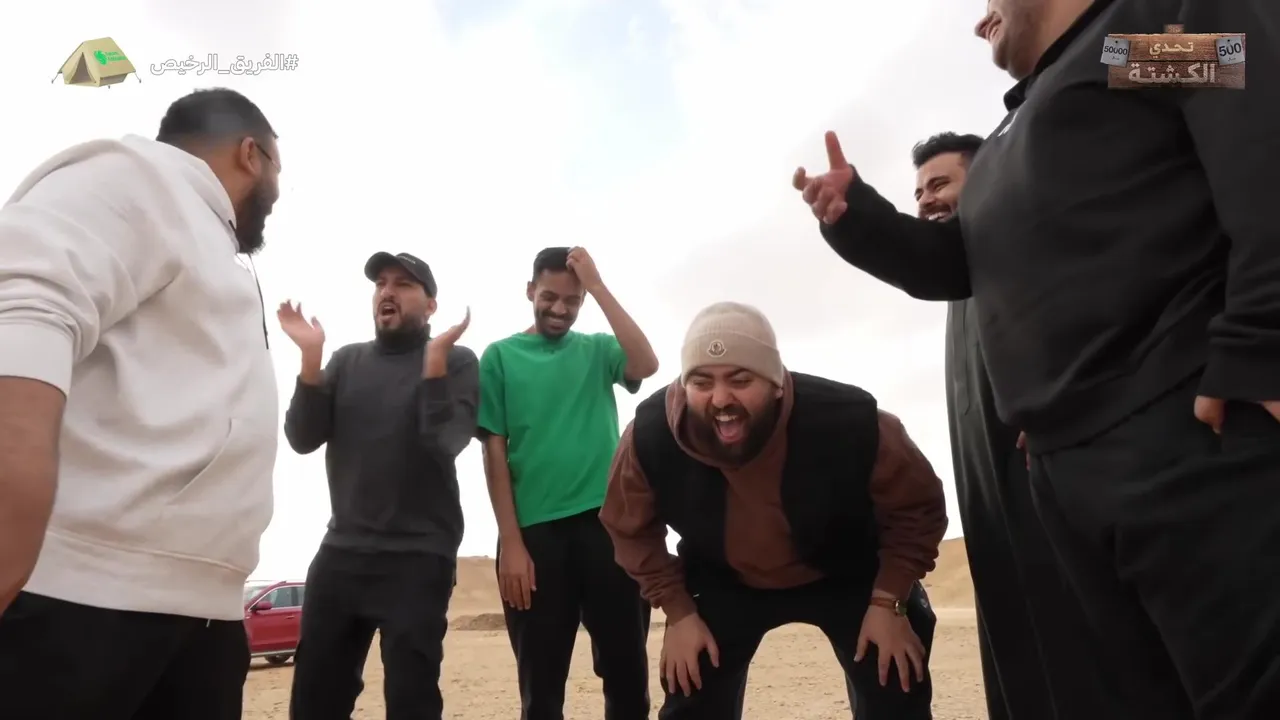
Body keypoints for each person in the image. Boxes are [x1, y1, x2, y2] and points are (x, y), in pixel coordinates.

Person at [793, 0, 1280, 717]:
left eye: (989, 1)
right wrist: (858, 218)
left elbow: (1261, 125)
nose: (979, 20)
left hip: (1184, 432)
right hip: (1065, 475)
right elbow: (955, 265)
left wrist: (1263, 339)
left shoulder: (1124, 45)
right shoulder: (1005, 139)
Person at [0, 87, 281, 718]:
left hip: (201, 618)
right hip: (81, 609)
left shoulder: (209, 243)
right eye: (278, 171)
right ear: (251, 154)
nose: (277, 193)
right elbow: (26, 303)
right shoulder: (137, 175)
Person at [600, 301, 945, 720]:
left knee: (896, 676)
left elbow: (916, 508)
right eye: (702, 382)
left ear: (776, 381)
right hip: (722, 576)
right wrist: (679, 612)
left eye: (741, 380)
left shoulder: (851, 421)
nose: (721, 398)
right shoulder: (650, 436)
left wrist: (890, 601)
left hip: (849, 568)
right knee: (691, 684)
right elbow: (629, 528)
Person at [911, 131, 1107, 719]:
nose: (925, 200)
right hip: (992, 506)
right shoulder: (957, 278)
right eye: (918, 192)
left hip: (1068, 483)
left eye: (939, 183)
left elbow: (1227, 60)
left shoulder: (1036, 233)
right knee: (1015, 640)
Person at [282, 251, 478, 719]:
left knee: (411, 701)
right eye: (381, 283)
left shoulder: (457, 361)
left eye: (403, 284)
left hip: (418, 556)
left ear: (430, 306)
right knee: (314, 699)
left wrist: (433, 364)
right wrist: (311, 359)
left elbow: (444, 442)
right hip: (342, 552)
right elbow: (302, 438)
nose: (387, 292)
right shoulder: (347, 361)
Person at [478, 246, 659, 720]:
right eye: (549, 297)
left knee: (628, 681)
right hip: (535, 538)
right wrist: (511, 544)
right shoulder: (499, 357)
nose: (560, 309)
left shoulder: (598, 349)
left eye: (572, 300)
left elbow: (646, 363)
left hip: (609, 530)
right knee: (541, 691)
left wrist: (596, 285)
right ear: (530, 291)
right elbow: (493, 451)